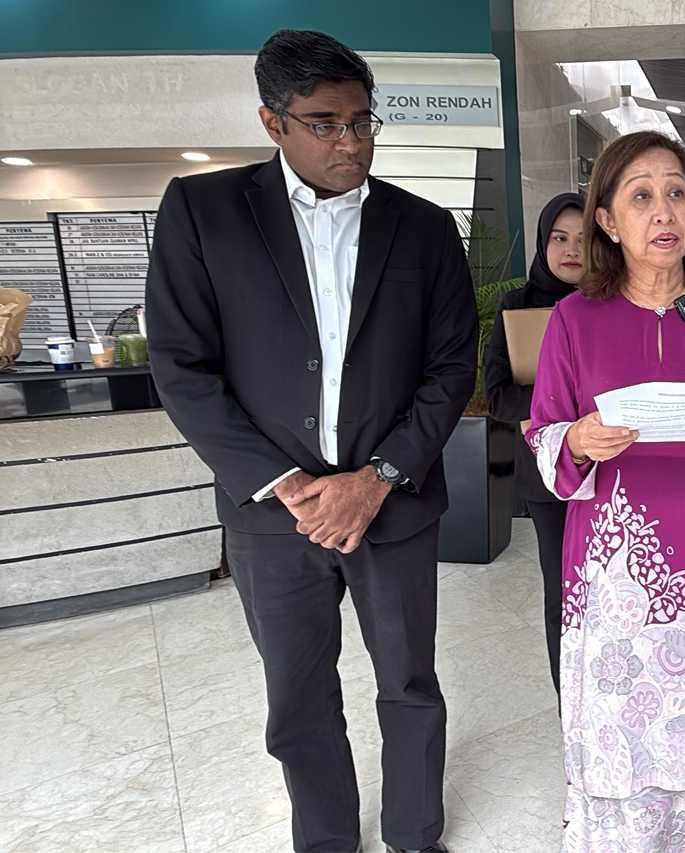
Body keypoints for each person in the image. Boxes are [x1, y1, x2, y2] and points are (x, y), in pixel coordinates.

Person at [145, 29, 475, 853]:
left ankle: (414, 833)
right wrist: (285, 484)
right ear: (272, 121)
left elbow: (450, 368)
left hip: (392, 505)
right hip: (273, 517)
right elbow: (182, 366)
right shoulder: (204, 212)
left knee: (408, 682)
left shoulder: (426, 228)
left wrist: (380, 476)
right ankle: (325, 838)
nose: (351, 141)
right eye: (325, 122)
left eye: (364, 121)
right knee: (296, 691)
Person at [526, 130, 685, 852]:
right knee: (620, 724)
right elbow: (544, 436)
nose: (663, 210)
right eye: (640, 195)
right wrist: (577, 438)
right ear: (608, 220)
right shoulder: (573, 320)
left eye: (676, 191)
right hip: (616, 574)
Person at [483, 191, 585, 696]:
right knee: (563, 594)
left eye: (585, 239)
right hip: (549, 477)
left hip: (619, 474)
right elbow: (498, 396)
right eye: (559, 238)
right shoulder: (517, 305)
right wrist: (562, 406)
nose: (571, 250)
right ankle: (572, 706)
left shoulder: (618, 303)